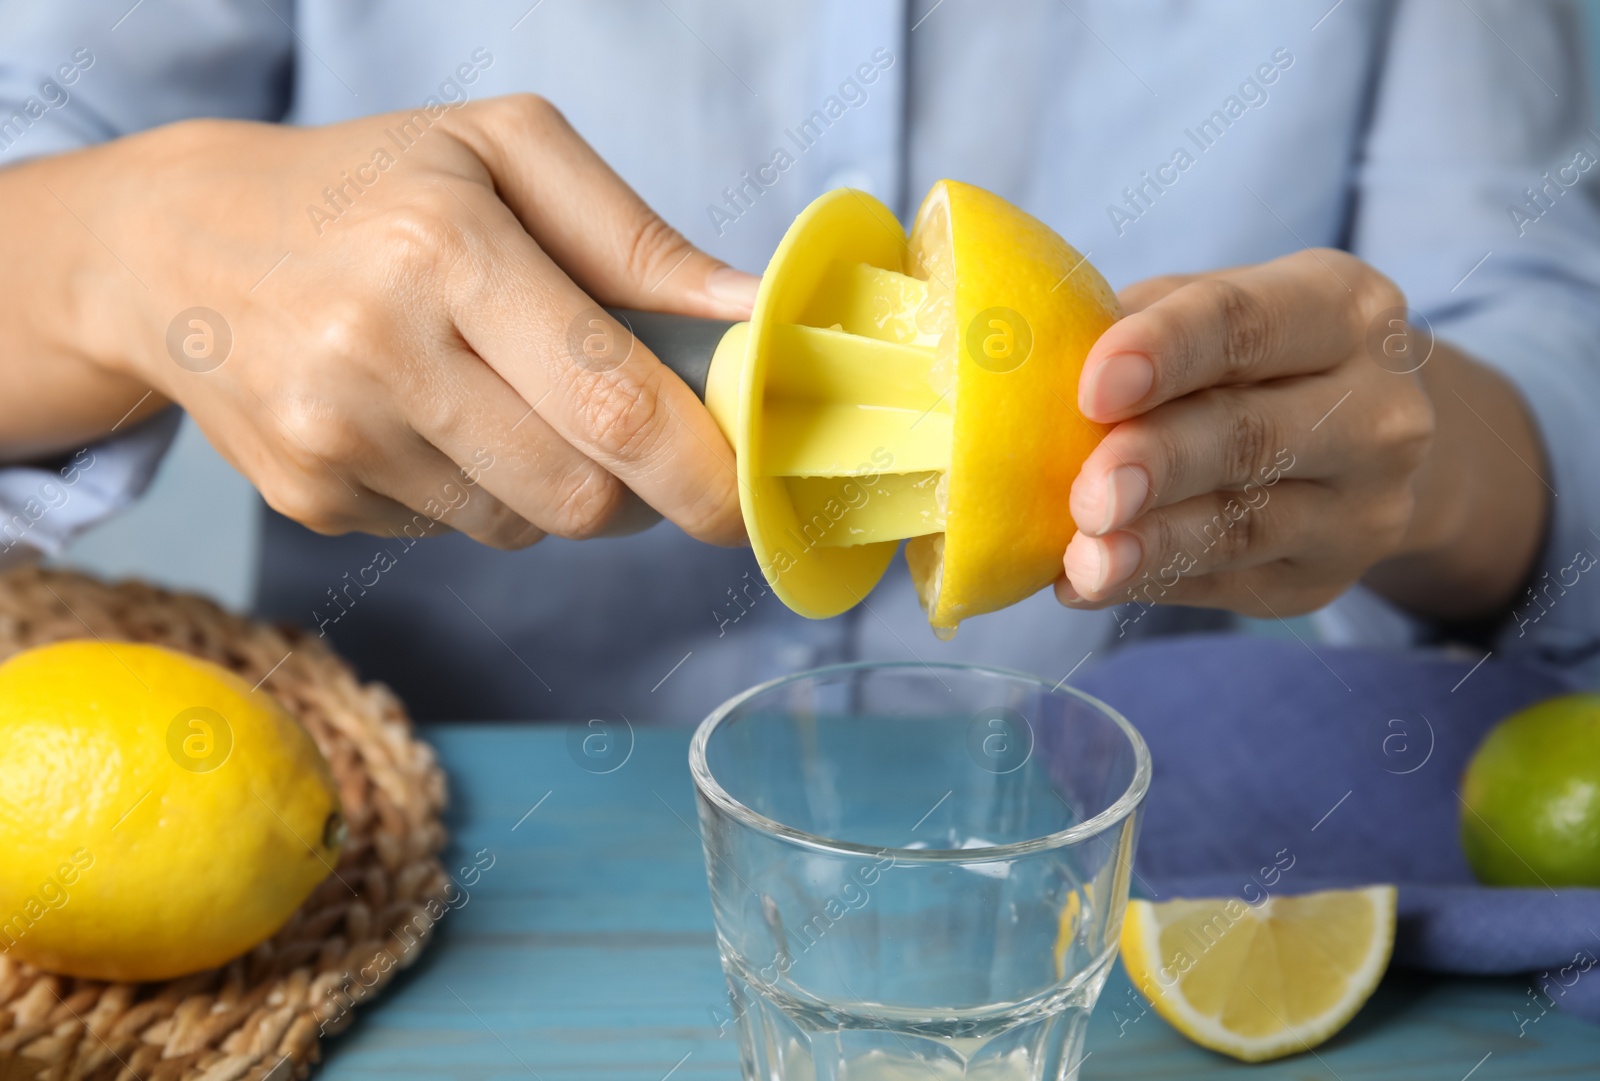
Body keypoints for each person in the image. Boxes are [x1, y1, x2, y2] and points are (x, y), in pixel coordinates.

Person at [0, 1, 1596, 722]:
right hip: (446, 894)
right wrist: (127, 248)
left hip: (1160, 895)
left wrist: (1424, 461)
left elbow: (1543, 340)